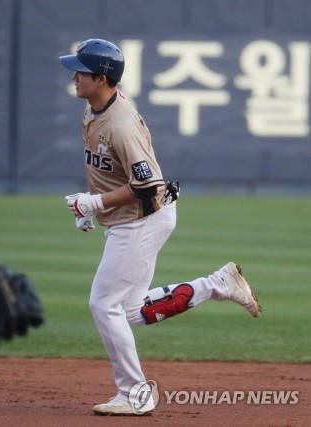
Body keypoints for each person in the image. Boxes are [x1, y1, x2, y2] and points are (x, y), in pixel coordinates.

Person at [59, 39, 262, 416]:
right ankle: (218, 284)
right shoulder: (93, 111)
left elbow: (147, 183)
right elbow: (107, 171)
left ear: (101, 78)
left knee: (104, 305)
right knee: (131, 310)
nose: (74, 77)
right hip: (135, 218)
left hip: (143, 220)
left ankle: (136, 393)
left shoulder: (120, 123)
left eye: (81, 71)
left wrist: (97, 203)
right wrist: (92, 208)